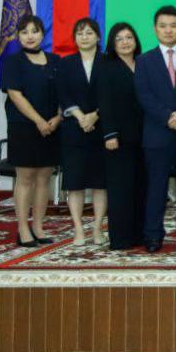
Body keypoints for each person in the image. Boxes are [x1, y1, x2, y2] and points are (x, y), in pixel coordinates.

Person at [134, 5, 176, 253]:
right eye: (163, 26)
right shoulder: (144, 60)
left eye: (173, 26)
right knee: (156, 187)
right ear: (155, 29)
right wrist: (167, 116)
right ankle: (153, 235)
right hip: (157, 134)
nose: (168, 30)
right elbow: (144, 95)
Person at [1, 15, 61, 247]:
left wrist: (57, 118)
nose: (29, 36)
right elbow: (15, 95)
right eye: (24, 32)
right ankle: (23, 228)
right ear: (18, 36)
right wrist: (38, 121)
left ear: (42, 34)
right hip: (24, 126)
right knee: (25, 178)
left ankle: (38, 226)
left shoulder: (55, 60)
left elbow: (64, 93)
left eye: (34, 31)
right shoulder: (13, 61)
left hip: (51, 127)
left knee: (44, 177)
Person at [56, 17, 108, 246]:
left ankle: (97, 229)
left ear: (98, 37)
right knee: (74, 183)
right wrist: (80, 117)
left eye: (89, 33)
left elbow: (112, 93)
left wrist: (95, 115)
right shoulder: (66, 63)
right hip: (73, 130)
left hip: (101, 128)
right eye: (80, 33)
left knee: (100, 183)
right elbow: (62, 93)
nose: (84, 37)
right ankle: (78, 229)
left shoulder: (108, 62)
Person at [97, 22, 147, 251]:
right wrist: (110, 134)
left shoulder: (144, 63)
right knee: (120, 189)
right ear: (112, 43)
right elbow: (104, 102)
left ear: (135, 40)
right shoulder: (107, 67)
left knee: (141, 186)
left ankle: (139, 234)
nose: (125, 42)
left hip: (145, 136)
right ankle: (120, 238)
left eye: (129, 37)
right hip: (118, 138)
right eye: (119, 39)